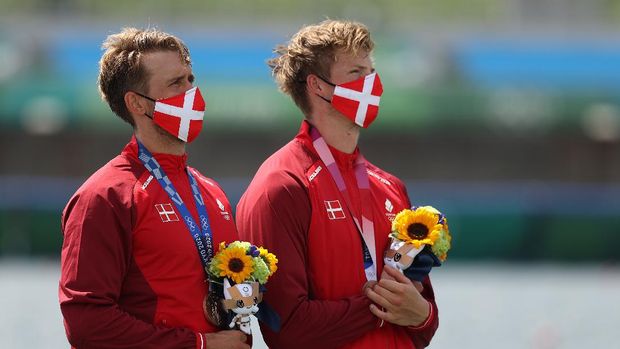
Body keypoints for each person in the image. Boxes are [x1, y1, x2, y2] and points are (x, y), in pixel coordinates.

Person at [236, 20, 439, 348]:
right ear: (318, 86)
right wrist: (382, 307)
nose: (372, 84)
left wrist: (423, 316)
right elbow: (286, 330)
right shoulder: (281, 186)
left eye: (372, 72)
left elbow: (423, 322)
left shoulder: (390, 186)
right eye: (357, 73)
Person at [59, 27, 249, 349]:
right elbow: (86, 323)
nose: (191, 92)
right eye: (176, 83)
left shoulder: (210, 191)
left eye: (190, 79)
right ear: (137, 103)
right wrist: (200, 344)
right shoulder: (105, 196)